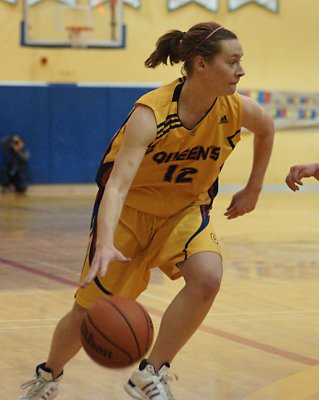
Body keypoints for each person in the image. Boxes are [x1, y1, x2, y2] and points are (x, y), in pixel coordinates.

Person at [19, 21, 274, 400]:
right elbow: (117, 185)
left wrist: (253, 188)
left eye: (241, 61)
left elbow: (267, 129)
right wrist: (105, 242)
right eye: (232, 61)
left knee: (207, 278)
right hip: (130, 215)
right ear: (201, 65)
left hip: (185, 210)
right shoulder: (151, 114)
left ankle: (151, 372)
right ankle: (48, 375)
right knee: (88, 313)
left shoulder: (235, 109)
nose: (241, 70)